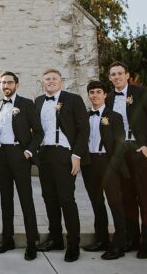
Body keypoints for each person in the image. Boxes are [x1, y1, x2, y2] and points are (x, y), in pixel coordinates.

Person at [105, 61, 147, 258]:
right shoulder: (109, 98)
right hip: (120, 154)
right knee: (127, 198)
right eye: (113, 74)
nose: (116, 77)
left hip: (139, 150)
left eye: (120, 73)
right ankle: (132, 238)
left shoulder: (141, 93)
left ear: (127, 75)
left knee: (143, 196)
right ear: (109, 77)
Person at [34, 68, 89, 262]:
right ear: (43, 82)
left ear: (61, 81)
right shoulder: (38, 101)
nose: (50, 81)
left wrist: (77, 155)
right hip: (45, 154)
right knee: (49, 197)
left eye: (54, 79)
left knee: (66, 199)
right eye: (47, 79)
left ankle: (73, 244)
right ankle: (55, 238)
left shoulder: (73, 99)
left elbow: (84, 129)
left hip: (65, 154)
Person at [0, 71, 42, 261]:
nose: (6, 86)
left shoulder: (26, 104)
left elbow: (38, 132)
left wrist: (28, 152)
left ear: (17, 85)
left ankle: (31, 242)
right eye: (3, 82)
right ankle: (7, 239)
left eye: (10, 82)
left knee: (25, 200)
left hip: (20, 155)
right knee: (5, 200)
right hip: (1, 155)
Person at [82, 80, 129, 260]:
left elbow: (121, 144)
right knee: (97, 203)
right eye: (91, 92)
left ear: (104, 95)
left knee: (115, 203)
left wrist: (113, 165)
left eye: (98, 92)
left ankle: (119, 245)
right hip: (89, 163)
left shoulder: (114, 116)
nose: (94, 95)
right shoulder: (85, 116)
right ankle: (102, 240)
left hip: (107, 163)